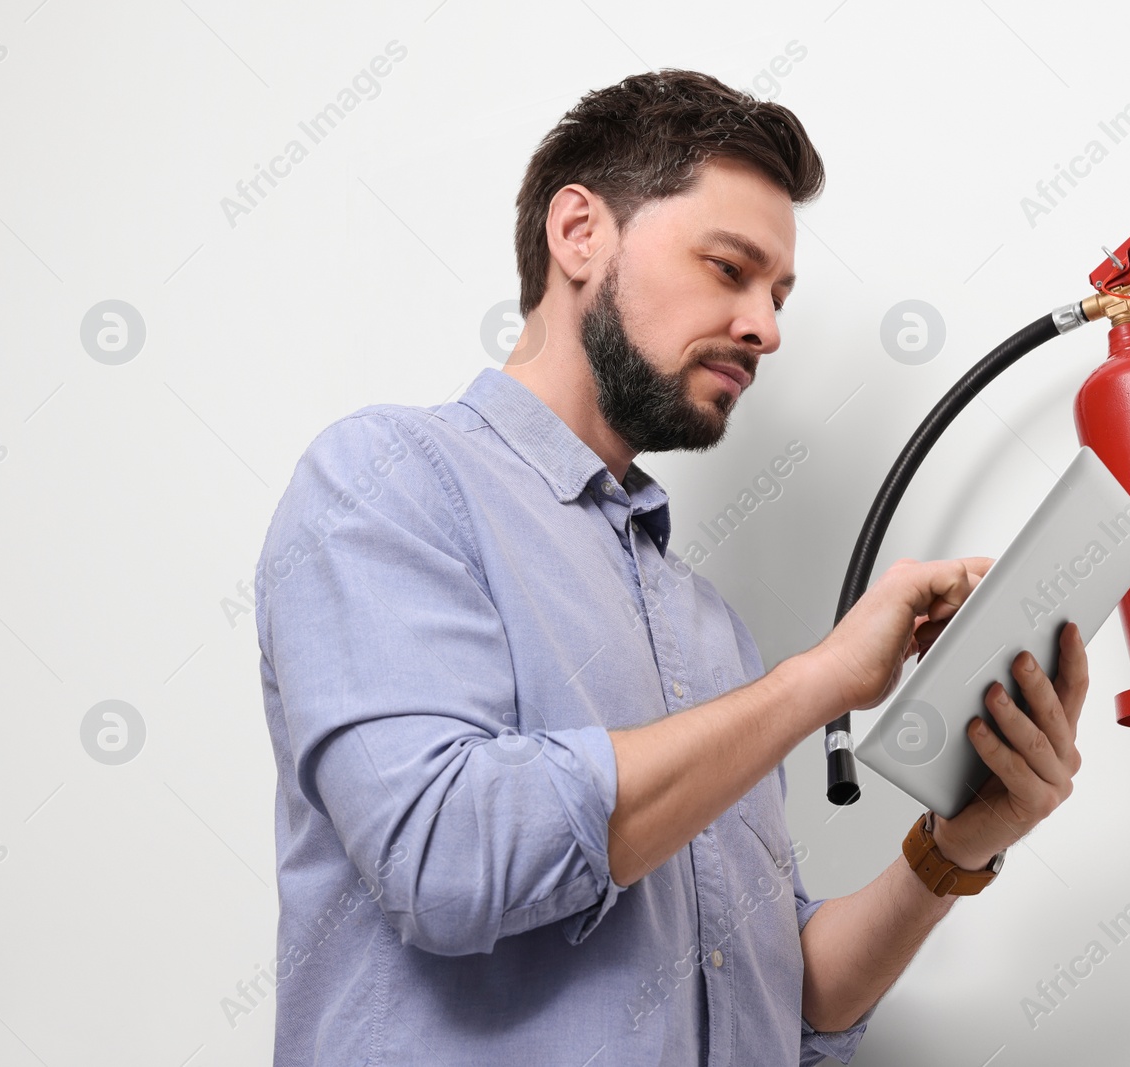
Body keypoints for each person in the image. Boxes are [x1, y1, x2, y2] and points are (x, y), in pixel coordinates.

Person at [253, 68, 1087, 1066]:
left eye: (776, 294)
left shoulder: (706, 628)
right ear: (579, 235)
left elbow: (784, 997)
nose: (766, 327)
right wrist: (815, 680)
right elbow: (445, 856)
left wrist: (955, 843)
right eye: (728, 268)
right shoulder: (386, 479)